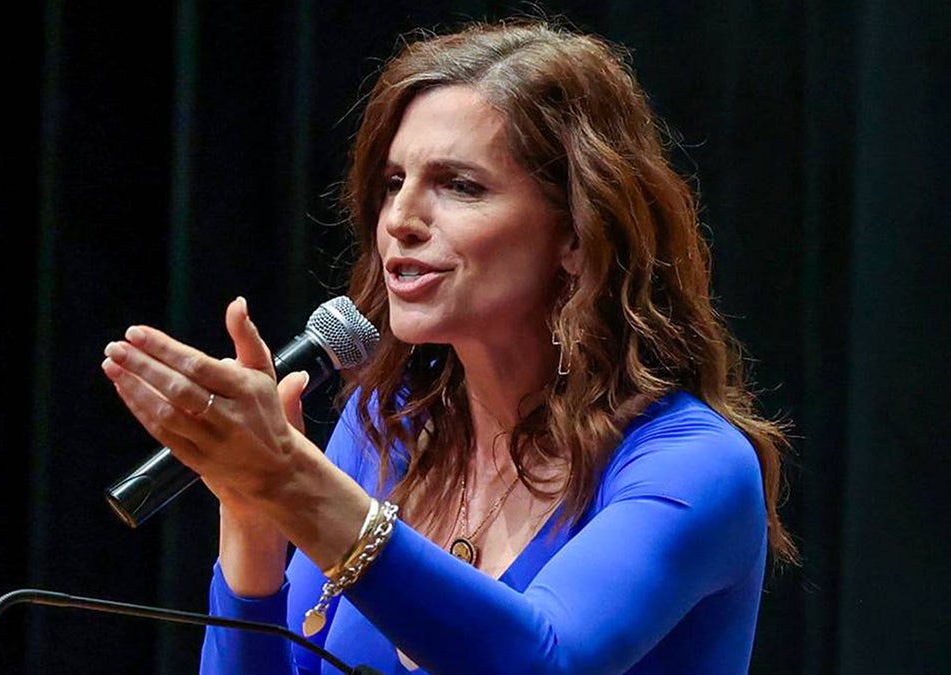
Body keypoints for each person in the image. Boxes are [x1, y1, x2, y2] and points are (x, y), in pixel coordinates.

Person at [100, 17, 796, 674]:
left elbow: (542, 659)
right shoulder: (385, 426)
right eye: (393, 182)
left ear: (577, 237)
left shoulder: (694, 464)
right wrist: (252, 515)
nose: (400, 219)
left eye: (459, 186)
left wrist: (290, 478)